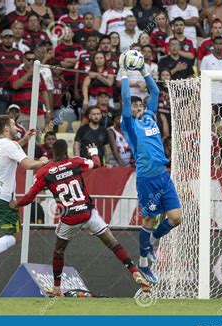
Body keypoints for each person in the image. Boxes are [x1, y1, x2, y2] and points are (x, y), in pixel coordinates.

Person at [10, 139, 150, 296]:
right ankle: (134, 271)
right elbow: (96, 164)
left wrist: (16, 204)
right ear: (66, 151)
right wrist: (94, 153)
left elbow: (29, 198)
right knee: (113, 243)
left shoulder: (45, 172)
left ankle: (57, 288)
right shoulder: (75, 162)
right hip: (88, 212)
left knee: (58, 251)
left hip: (70, 218)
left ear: (52, 153)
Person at [119, 52, 182, 283]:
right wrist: (124, 73)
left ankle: (152, 242)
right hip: (146, 178)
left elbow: (155, 92)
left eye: (139, 104)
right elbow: (125, 100)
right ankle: (143, 262)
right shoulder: (129, 125)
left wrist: (144, 69)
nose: (137, 106)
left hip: (164, 177)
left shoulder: (150, 118)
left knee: (176, 218)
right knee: (148, 219)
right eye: (134, 105)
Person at [0, 115, 49, 293]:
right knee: (15, 235)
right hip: (1, 199)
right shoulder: (10, 146)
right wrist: (43, 162)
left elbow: (7, 151)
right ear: (6, 128)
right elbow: (28, 165)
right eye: (14, 124)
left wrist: (24, 140)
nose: (17, 126)